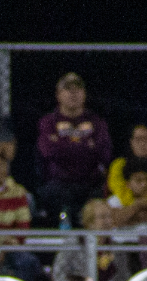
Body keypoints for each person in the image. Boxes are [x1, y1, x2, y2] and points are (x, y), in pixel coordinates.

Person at [35, 73, 111, 226]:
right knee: (52, 194)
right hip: (59, 184)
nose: (73, 94)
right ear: (58, 95)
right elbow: (48, 151)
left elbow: (104, 153)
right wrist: (85, 146)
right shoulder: (49, 121)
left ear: (84, 94)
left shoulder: (96, 121)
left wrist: (64, 145)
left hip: (90, 183)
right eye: (68, 89)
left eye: (77, 90)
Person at [0, 146, 42, 281]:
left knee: (28, 262)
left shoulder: (19, 193)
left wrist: (3, 248)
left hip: (9, 248)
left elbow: (22, 228)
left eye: (1, 164)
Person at [107, 124, 147, 204]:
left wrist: (143, 204)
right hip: (125, 205)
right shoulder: (118, 164)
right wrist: (135, 205)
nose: (142, 144)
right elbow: (119, 189)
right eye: (138, 139)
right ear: (131, 142)